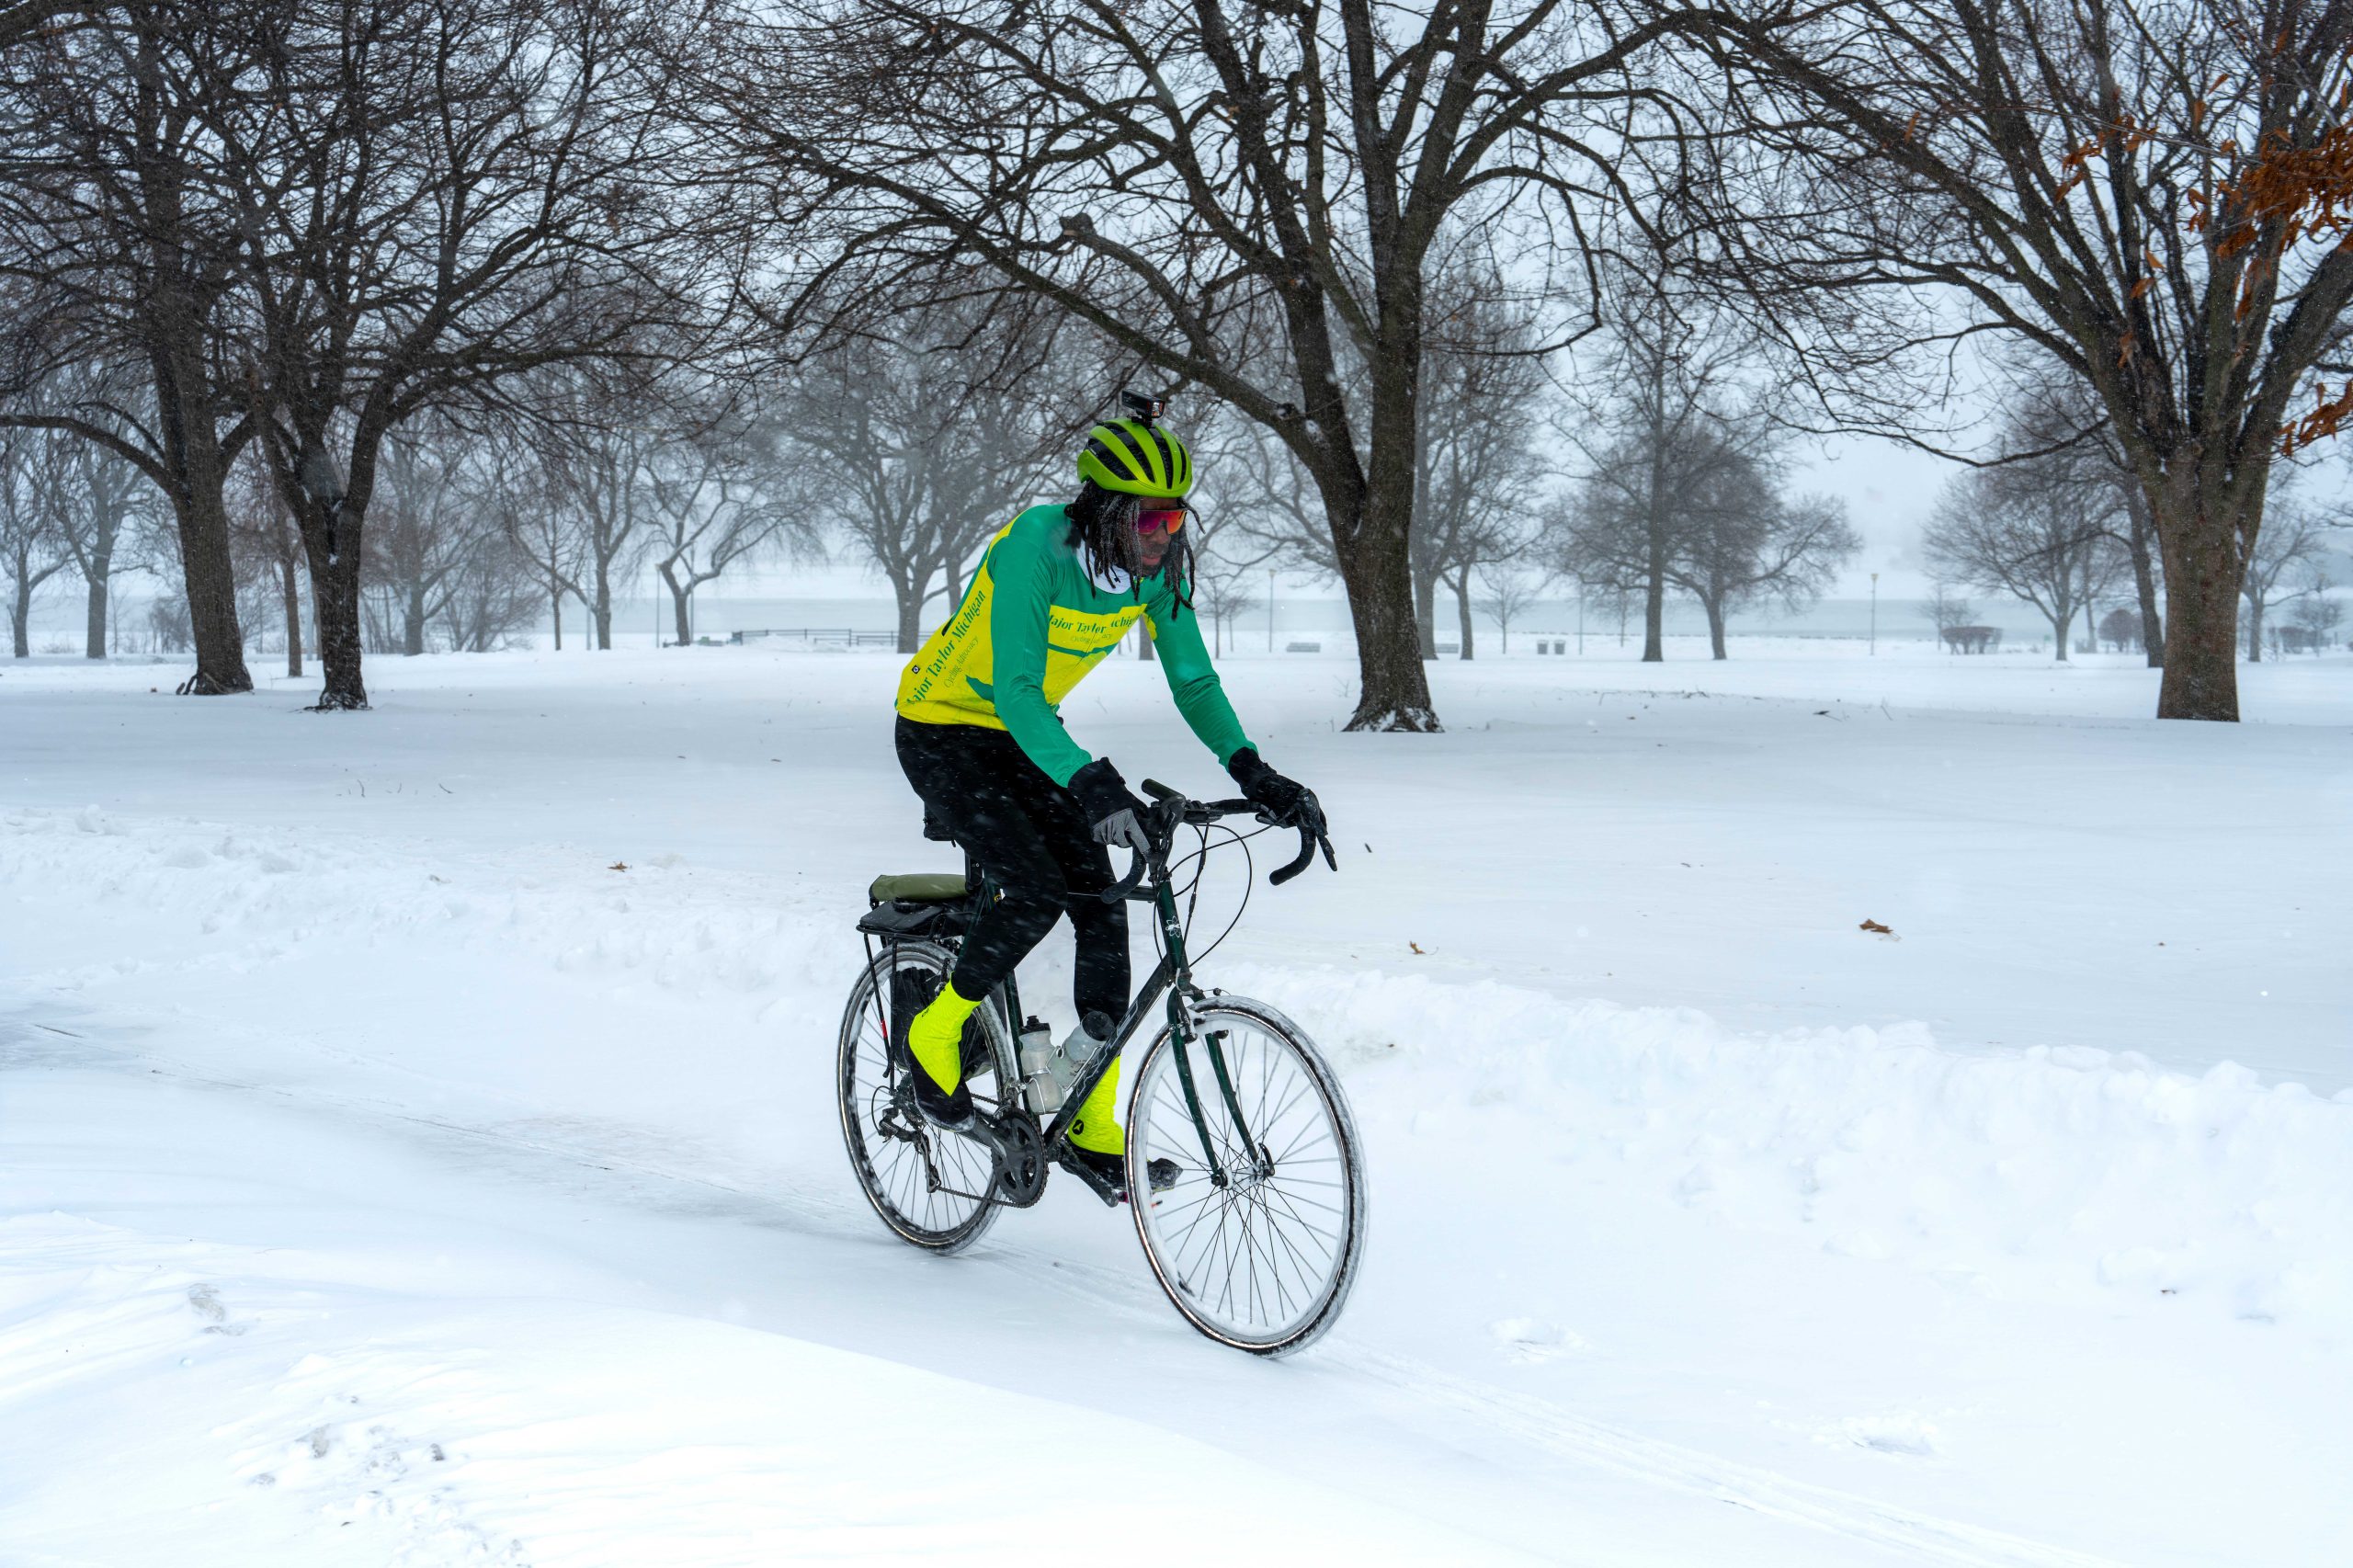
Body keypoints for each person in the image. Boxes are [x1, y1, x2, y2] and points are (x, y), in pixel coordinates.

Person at [891, 401, 1324, 1196]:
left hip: (1025, 738)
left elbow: (1194, 681)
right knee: (1034, 889)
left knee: (1103, 899)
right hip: (944, 730)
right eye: (1151, 519)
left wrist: (1253, 771)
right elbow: (1018, 691)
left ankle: (1090, 1116)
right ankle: (935, 1030)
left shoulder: (1155, 575)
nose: (1165, 535)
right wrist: (1091, 781)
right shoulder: (1037, 546)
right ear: (1108, 512)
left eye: (1175, 519)